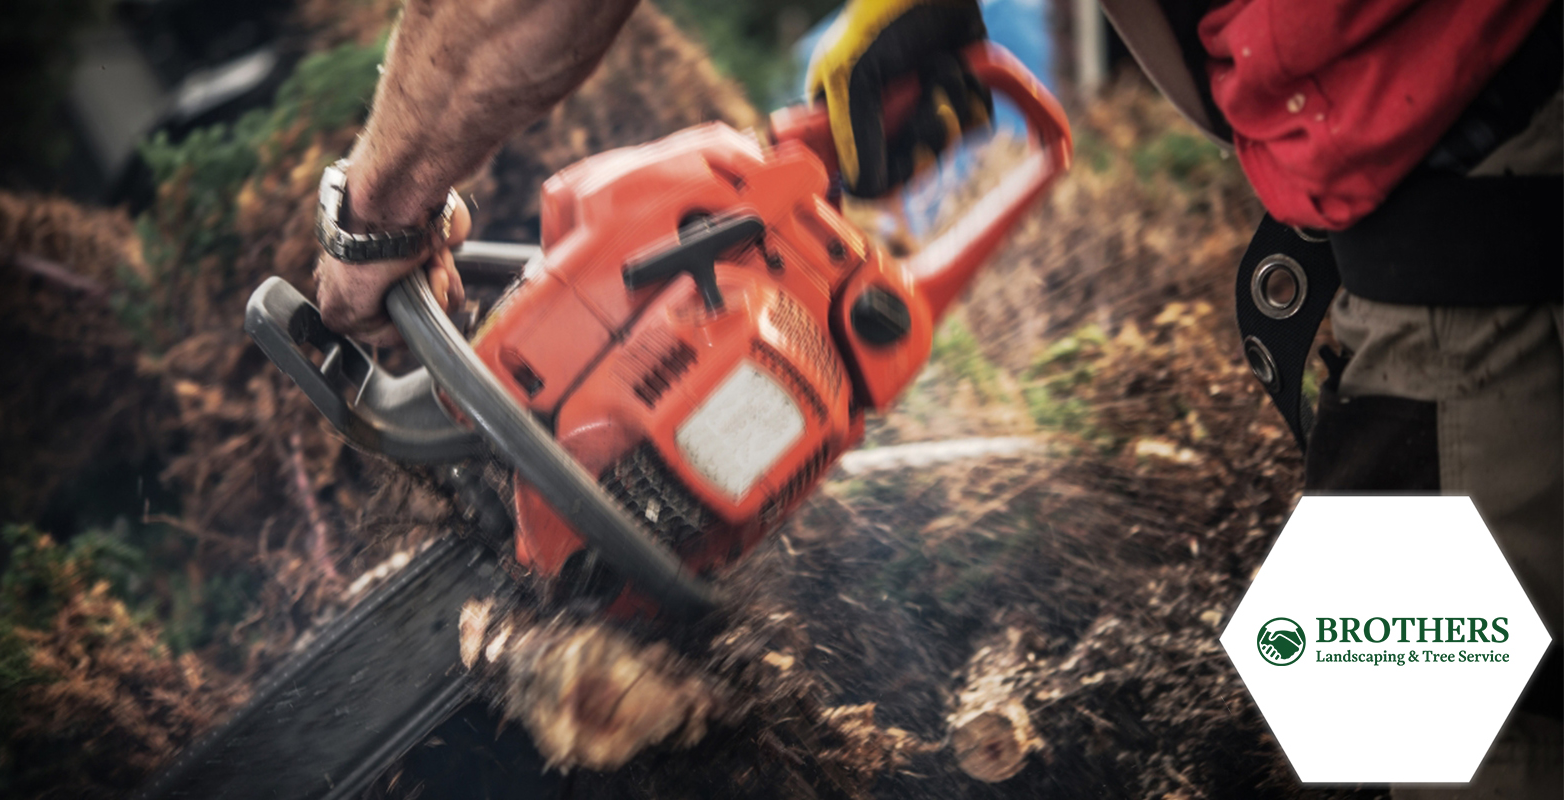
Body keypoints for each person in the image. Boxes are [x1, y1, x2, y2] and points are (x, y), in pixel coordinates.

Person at [314, 0, 1560, 795]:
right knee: (1351, 703)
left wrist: (374, 218)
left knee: (1416, 733)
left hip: (1493, 207)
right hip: (1456, 196)